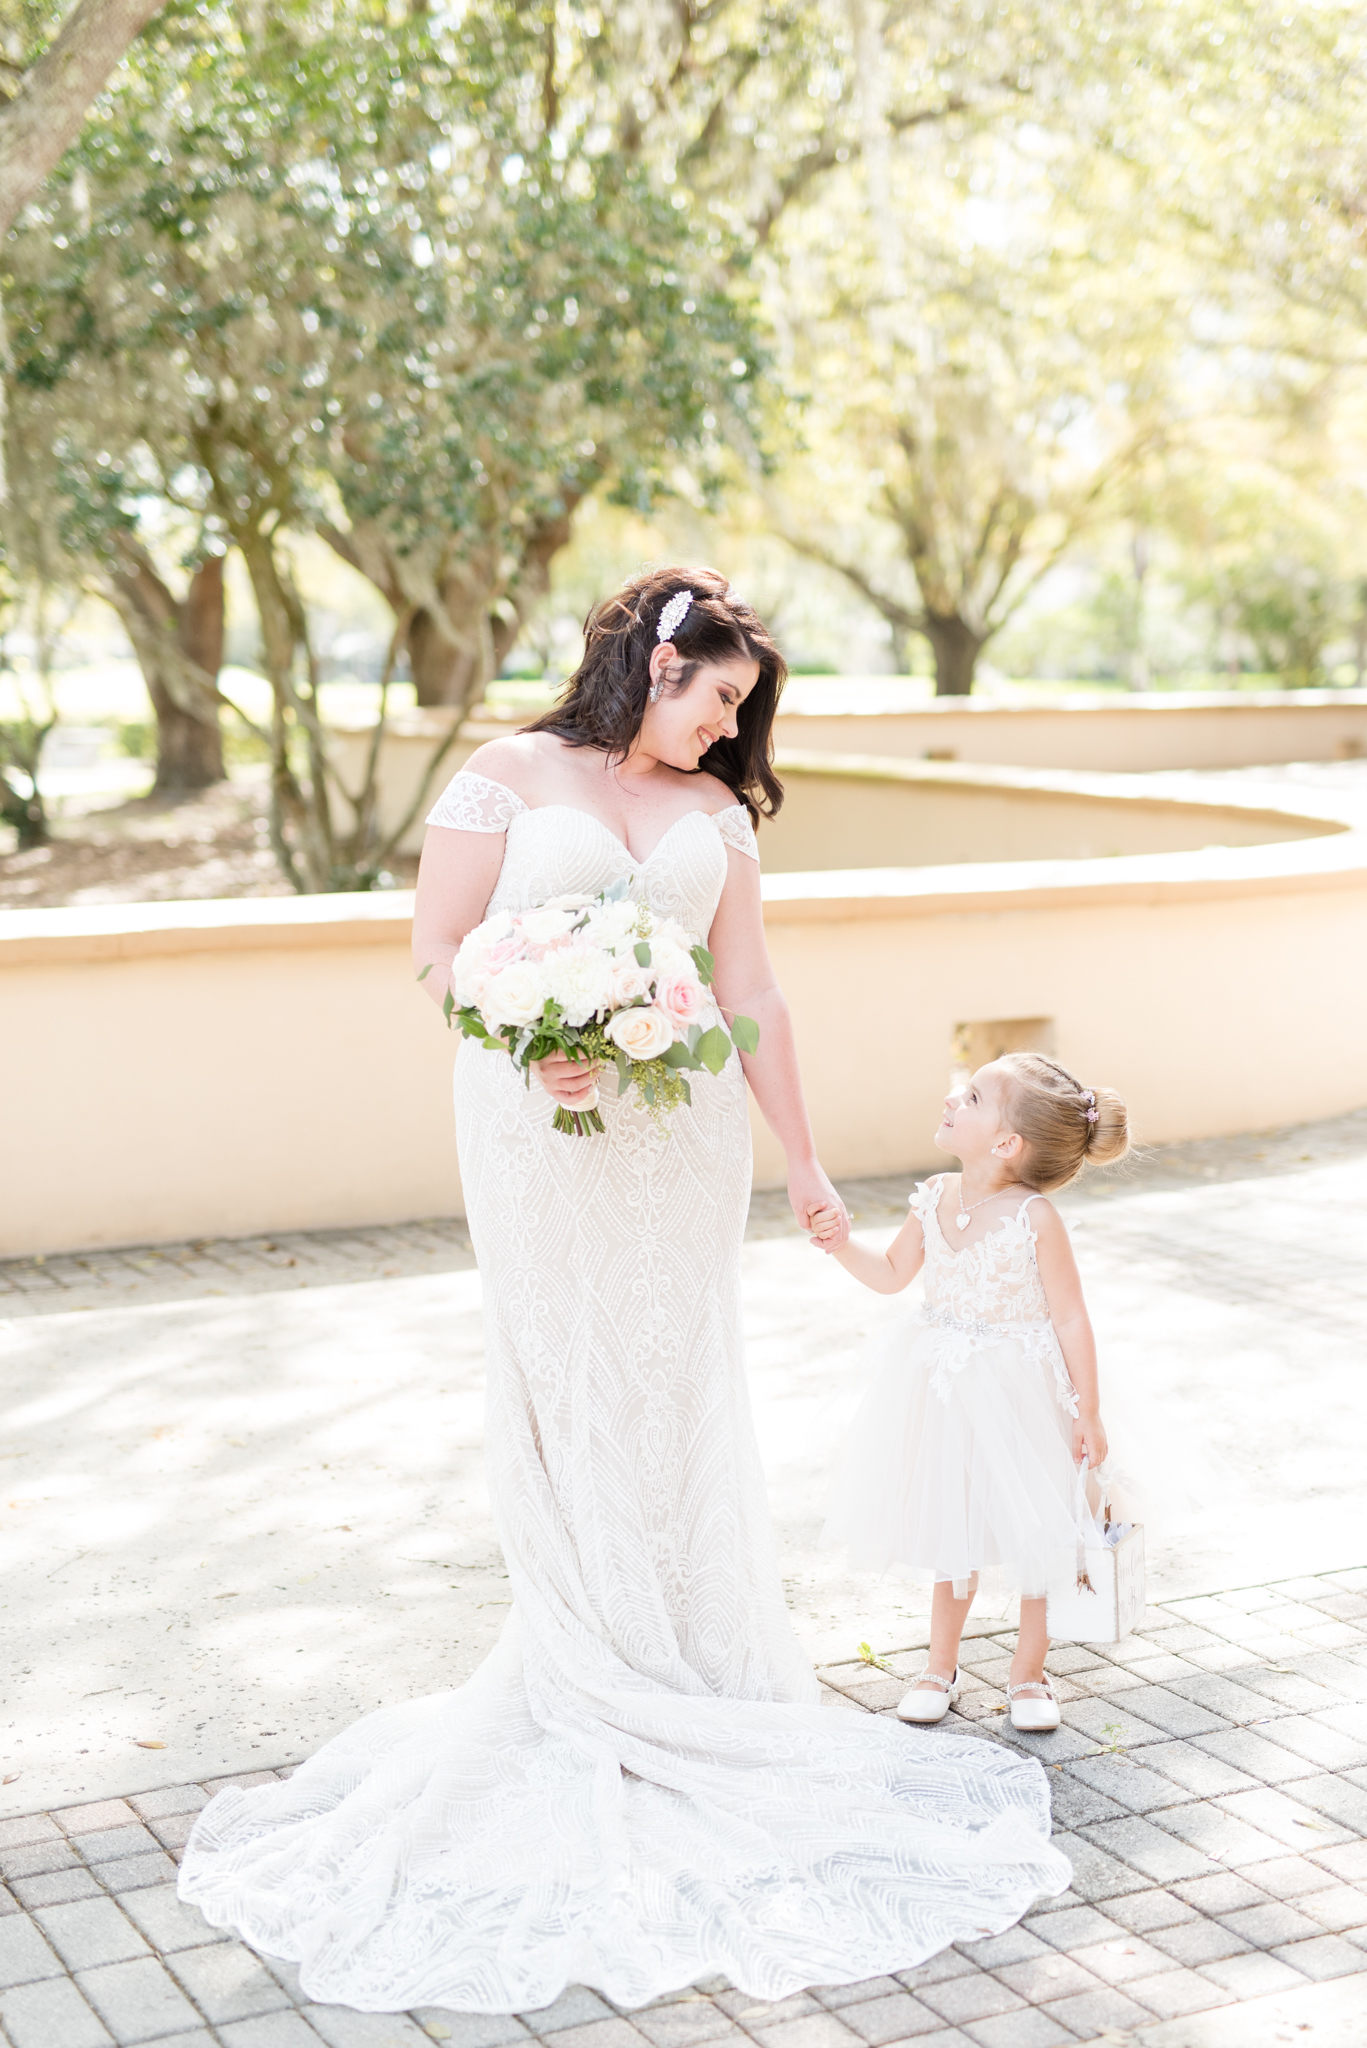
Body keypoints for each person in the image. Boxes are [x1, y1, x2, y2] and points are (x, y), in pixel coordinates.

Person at [177, 569, 1070, 2015]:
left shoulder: (716, 821)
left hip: (682, 1143)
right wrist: (522, 1039)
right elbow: (433, 951)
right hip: (534, 1123)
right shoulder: (506, 776)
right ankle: (580, 1656)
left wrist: (805, 1156)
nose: (727, 736)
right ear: (660, 661)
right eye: (719, 700)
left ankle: (681, 1659)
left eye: (740, 718)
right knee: (558, 1373)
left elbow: (754, 994)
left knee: (669, 1379)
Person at [813, 1054, 1130, 1734]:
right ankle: (938, 1664)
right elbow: (894, 1272)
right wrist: (841, 1244)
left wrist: (1088, 1410)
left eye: (975, 1095)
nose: (954, 1096)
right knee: (949, 1520)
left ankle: (1027, 1673)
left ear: (1005, 1143)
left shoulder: (1034, 1217)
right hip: (943, 1387)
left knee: (1038, 1534)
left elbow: (1070, 1316)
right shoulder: (932, 1195)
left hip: (1022, 1391)